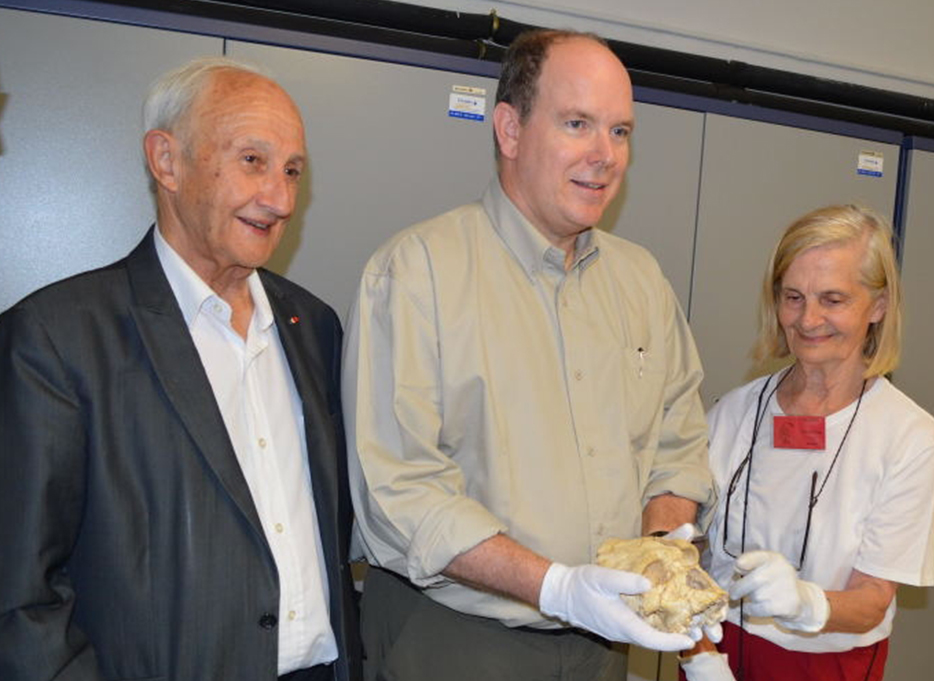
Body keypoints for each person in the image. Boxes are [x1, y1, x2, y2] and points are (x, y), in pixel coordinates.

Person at [343, 29, 716, 681]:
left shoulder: (642, 283)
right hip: (457, 639)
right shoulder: (417, 274)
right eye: (577, 123)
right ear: (509, 130)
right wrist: (556, 586)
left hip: (603, 644)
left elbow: (678, 445)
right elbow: (399, 491)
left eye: (621, 131)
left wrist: (657, 557)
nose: (604, 156)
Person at [0, 57, 361, 681]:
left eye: (292, 171)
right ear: (166, 160)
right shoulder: (57, 338)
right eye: (252, 161)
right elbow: (22, 595)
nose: (277, 198)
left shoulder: (314, 326)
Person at [679, 205, 934, 681]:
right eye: (794, 297)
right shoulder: (734, 413)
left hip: (825, 662)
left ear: (878, 306)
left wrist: (805, 602)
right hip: (717, 648)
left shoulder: (908, 437)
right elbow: (682, 553)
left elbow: (871, 600)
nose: (808, 319)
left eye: (834, 299)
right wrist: (698, 656)